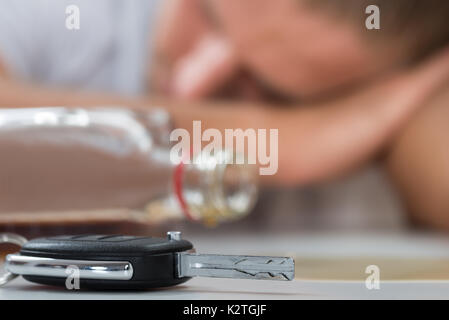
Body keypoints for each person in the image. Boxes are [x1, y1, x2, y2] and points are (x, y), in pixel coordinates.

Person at [0, 0, 449, 230]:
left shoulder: (391, 106)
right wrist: (279, 140)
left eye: (268, 89)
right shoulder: (71, 17)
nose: (193, 82)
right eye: (209, 14)